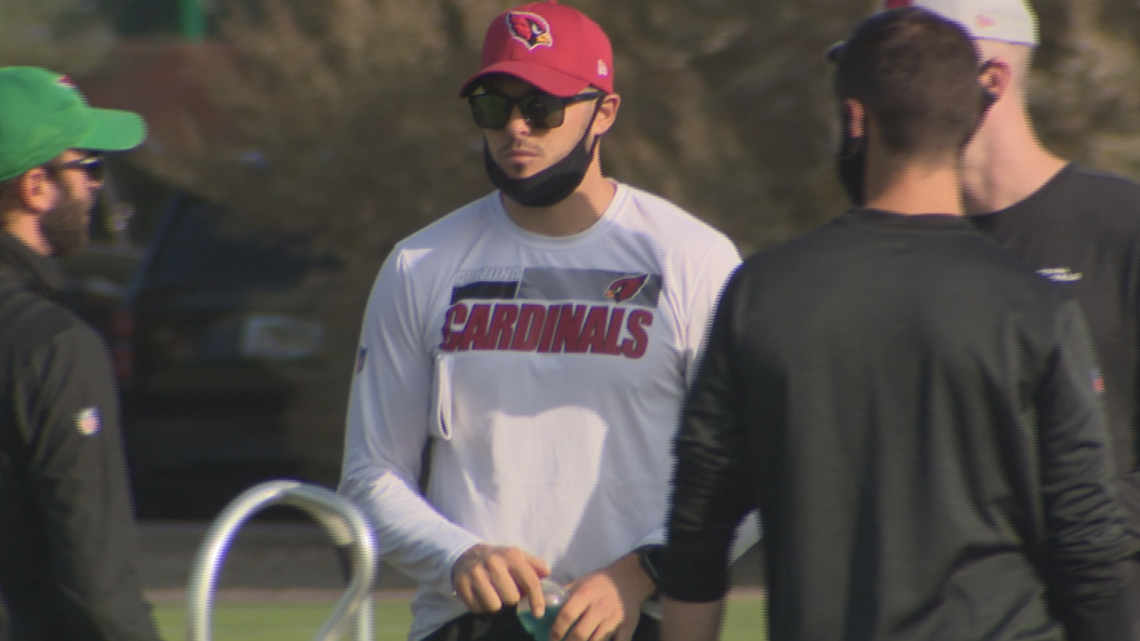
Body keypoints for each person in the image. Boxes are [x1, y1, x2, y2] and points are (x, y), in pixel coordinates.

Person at [659, 7, 1137, 641]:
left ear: (856, 117)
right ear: (971, 109)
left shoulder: (763, 291)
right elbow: (1086, 539)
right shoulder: (1036, 306)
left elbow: (699, 522)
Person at [337, 2, 741, 640]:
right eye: (495, 105)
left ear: (604, 111)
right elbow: (369, 475)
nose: (517, 127)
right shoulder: (421, 263)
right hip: (467, 626)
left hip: (631, 622)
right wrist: (457, 556)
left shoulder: (693, 259)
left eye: (544, 107)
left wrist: (642, 571)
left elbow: (745, 468)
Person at [887, 0, 1140, 625]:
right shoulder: (887, 247)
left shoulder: (1122, 226)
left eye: (907, 65)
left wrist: (1089, 553)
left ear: (992, 80)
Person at [0, 67, 161, 640]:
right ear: (34, 186)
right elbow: (96, 582)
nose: (96, 184)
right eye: (87, 165)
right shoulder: (54, 345)